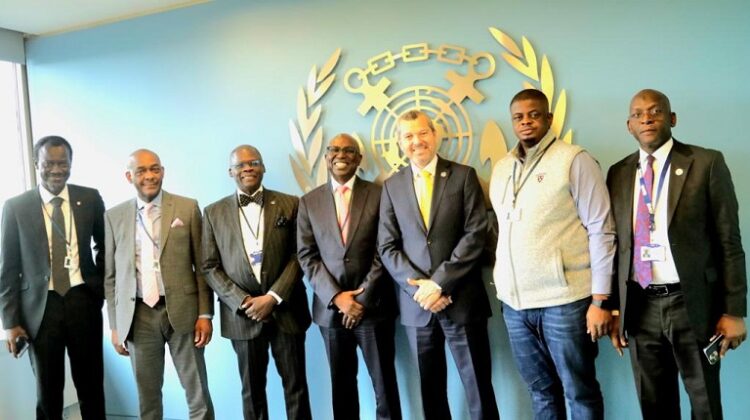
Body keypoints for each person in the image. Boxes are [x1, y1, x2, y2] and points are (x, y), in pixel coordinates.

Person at [606, 89, 747, 419]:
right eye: (638, 114)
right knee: (654, 405)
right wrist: (615, 308)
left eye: (655, 111)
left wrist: (734, 310)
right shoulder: (619, 172)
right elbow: (616, 246)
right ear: (629, 125)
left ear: (672, 119)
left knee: (704, 404)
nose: (647, 118)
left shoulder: (706, 163)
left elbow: (729, 240)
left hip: (691, 304)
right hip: (640, 305)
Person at [489, 88, 615, 419]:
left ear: (548, 118)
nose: (526, 121)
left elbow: (602, 229)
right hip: (516, 306)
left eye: (533, 114)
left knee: (579, 391)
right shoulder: (502, 168)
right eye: (518, 117)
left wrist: (601, 300)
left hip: (565, 301)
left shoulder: (574, 159)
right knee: (541, 392)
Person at [378, 110, 499, 420]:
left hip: (461, 301)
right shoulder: (392, 186)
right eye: (408, 136)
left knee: (478, 391)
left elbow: (475, 233)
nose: (416, 141)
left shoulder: (463, 175)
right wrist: (422, 290)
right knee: (431, 395)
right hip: (417, 308)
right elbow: (387, 246)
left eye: (422, 133)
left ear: (434, 135)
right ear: (399, 143)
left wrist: (439, 284)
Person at [202, 145, 312, 420]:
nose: (247, 168)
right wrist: (242, 301)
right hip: (242, 316)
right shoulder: (213, 212)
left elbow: (299, 255)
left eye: (254, 162)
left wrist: (273, 297)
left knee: (296, 387)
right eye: (240, 165)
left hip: (286, 311)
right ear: (231, 172)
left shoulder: (291, 203)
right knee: (252, 391)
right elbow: (209, 266)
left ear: (263, 167)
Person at [0, 136, 106, 419]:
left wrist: (99, 289)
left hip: (83, 302)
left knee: (92, 386)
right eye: (49, 164)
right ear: (37, 164)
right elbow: (7, 269)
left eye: (63, 163)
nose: (57, 170)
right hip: (40, 310)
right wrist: (10, 322)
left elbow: (106, 246)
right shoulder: (15, 207)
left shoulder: (90, 198)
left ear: (71, 164)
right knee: (48, 392)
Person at [104, 149, 214, 419]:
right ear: (129, 176)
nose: (150, 176)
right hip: (137, 316)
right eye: (141, 171)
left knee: (197, 393)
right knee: (148, 398)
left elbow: (202, 266)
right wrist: (116, 326)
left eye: (155, 169)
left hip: (184, 312)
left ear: (163, 171)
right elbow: (111, 277)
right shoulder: (114, 216)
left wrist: (204, 313)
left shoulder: (187, 208)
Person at [297, 133, 401, 420]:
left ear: (358, 158)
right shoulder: (308, 202)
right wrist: (337, 298)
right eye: (334, 150)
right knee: (341, 388)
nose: (340, 154)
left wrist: (362, 298)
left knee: (385, 386)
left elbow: (386, 249)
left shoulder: (380, 194)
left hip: (374, 308)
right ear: (326, 156)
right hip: (330, 313)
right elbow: (307, 256)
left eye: (348, 150)